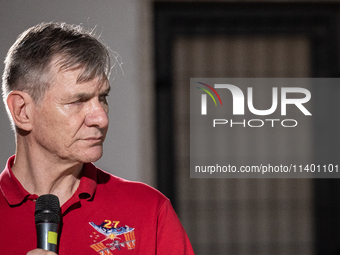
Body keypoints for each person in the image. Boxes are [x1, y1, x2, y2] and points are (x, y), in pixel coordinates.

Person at [0, 22, 194, 255]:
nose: (101, 118)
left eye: (102, 98)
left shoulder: (149, 211)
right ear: (22, 111)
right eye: (78, 101)